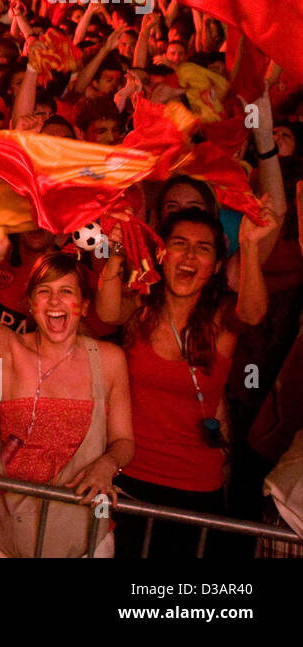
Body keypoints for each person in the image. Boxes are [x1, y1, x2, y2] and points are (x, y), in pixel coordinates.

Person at [96, 204, 277, 556]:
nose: (190, 254)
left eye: (203, 248)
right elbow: (106, 312)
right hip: (128, 476)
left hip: (197, 489)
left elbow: (253, 312)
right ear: (162, 255)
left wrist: (251, 245)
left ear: (216, 266)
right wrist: (116, 251)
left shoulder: (222, 318)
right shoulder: (141, 306)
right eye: (179, 243)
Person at [0, 237, 134, 557]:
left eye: (67, 292)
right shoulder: (10, 351)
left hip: (85, 539)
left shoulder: (110, 360)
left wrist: (107, 465)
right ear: (30, 304)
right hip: (7, 535)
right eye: (44, 292)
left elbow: (125, 440)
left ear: (85, 306)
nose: (55, 302)